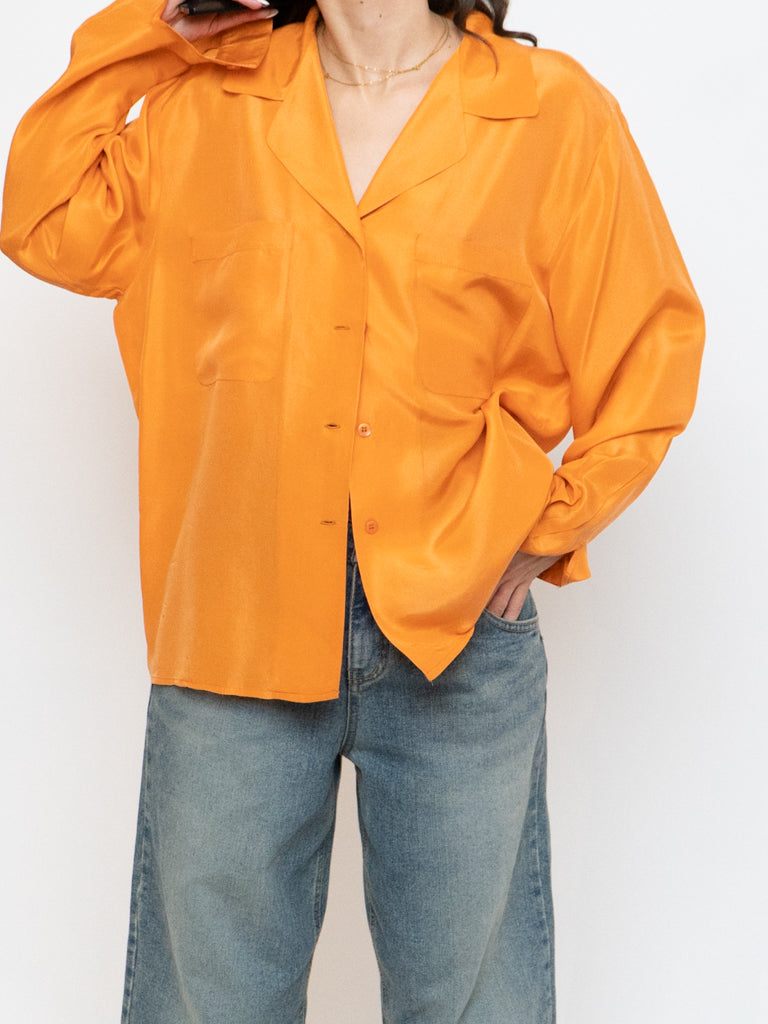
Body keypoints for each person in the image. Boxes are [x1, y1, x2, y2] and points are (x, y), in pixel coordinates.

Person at [0, 1, 704, 1021]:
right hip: (233, 621)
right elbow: (41, 216)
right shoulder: (208, 106)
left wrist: (550, 525)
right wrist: (158, 29)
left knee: (476, 1004)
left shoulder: (550, 112)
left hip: (459, 628)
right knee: (209, 1006)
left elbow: (650, 345)